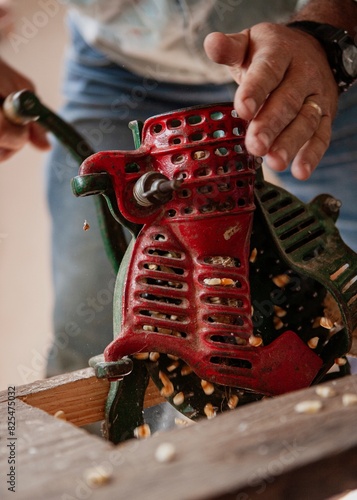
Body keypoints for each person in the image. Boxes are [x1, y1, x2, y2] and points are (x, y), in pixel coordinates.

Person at [0, 0, 356, 377]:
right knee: (90, 330)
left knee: (343, 300)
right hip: (120, 69)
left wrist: (329, 34)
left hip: (313, 57)